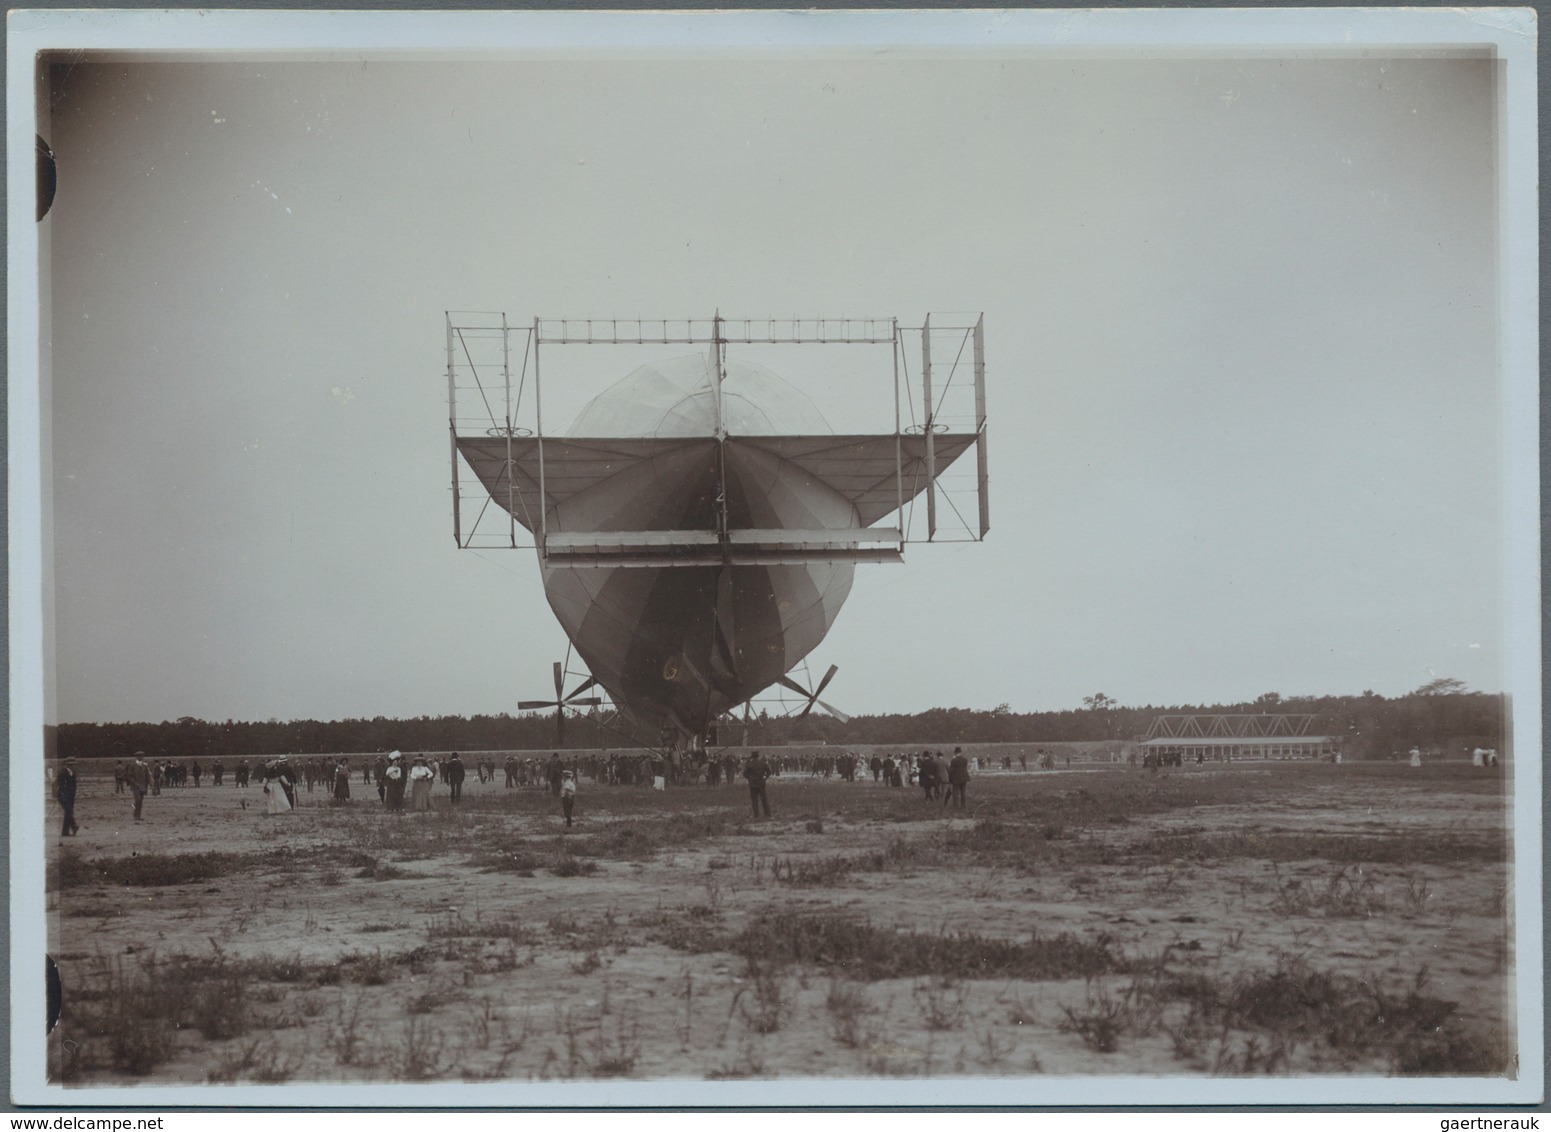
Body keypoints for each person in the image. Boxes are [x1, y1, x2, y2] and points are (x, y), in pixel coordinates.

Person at [56, 756, 80, 838]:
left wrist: (73, 794)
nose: (73, 766)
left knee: (68, 812)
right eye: (71, 764)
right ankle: (73, 826)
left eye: (73, 764)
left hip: (71, 796)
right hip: (63, 796)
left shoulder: (72, 773)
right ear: (67, 765)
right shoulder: (62, 773)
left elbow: (74, 785)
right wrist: (60, 794)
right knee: (69, 811)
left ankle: (65, 832)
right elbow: (57, 784)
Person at [744, 750, 772, 818]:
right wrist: (765, 777)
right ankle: (767, 814)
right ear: (758, 756)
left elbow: (745, 774)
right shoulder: (763, 763)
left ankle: (756, 815)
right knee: (764, 799)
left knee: (754, 800)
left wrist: (749, 778)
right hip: (761, 783)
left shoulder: (749, 764)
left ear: (752, 756)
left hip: (753, 784)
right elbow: (769, 772)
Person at [128, 753, 151, 821]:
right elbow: (129, 776)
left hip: (143, 786)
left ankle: (138, 816)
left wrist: (150, 784)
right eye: (140, 756)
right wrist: (134, 782)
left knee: (140, 801)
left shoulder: (145, 765)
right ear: (137, 757)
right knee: (138, 799)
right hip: (135, 786)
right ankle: (136, 815)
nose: (141, 757)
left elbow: (148, 776)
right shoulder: (132, 765)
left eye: (142, 756)